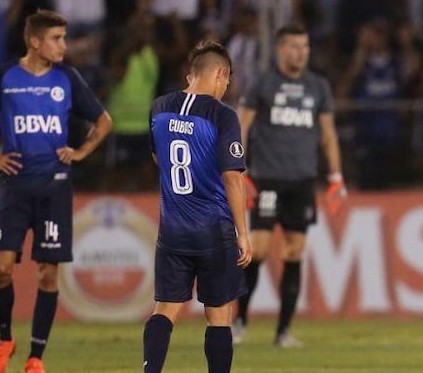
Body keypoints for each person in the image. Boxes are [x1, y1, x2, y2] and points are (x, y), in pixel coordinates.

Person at [0, 9, 112, 373]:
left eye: (63, 37)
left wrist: (80, 152)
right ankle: (4, 341)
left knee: (48, 274)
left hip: (54, 189)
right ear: (35, 41)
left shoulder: (67, 79)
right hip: (14, 187)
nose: (63, 45)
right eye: (56, 38)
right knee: (1, 270)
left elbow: (103, 121)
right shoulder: (4, 77)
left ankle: (35, 359)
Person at [143, 40, 252, 372]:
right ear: (220, 73)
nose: (225, 88)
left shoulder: (160, 106)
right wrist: (242, 233)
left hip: (172, 230)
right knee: (219, 317)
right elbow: (232, 177)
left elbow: (157, 158)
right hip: (213, 231)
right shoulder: (222, 115)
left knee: (165, 310)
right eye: (227, 80)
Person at [235, 22, 346, 347]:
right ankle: (239, 320)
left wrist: (336, 177)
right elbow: (240, 125)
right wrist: (238, 169)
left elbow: (328, 135)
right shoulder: (263, 84)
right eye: (294, 46)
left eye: (305, 46)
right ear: (281, 49)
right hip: (267, 178)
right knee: (259, 248)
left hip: (302, 181)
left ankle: (282, 331)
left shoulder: (318, 87)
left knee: (294, 251)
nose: (301, 52)